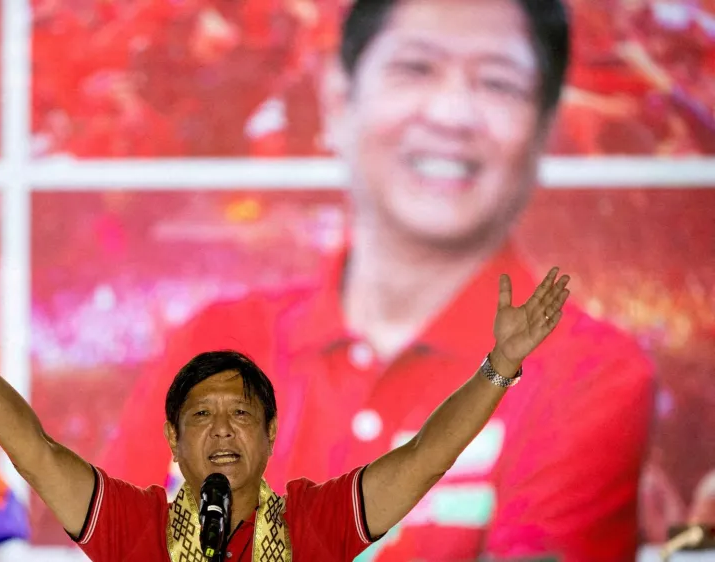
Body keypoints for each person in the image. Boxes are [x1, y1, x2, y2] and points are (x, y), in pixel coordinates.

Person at [100, 0, 655, 560]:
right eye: (415, 68)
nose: (451, 113)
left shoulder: (590, 378)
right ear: (337, 99)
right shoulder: (214, 345)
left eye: (498, 82)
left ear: (545, 129)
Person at [0, 256, 569, 560]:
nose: (222, 430)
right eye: (201, 416)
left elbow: (424, 458)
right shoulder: (134, 529)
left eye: (241, 415)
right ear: (171, 439)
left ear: (271, 434)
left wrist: (499, 366)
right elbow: (34, 450)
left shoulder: (314, 523)